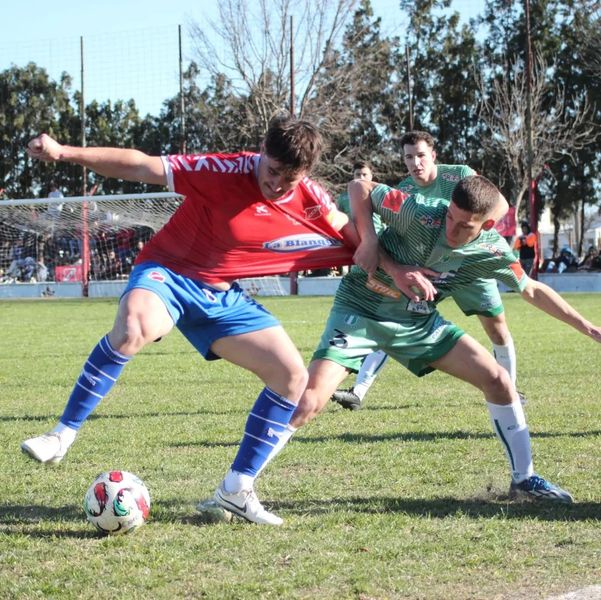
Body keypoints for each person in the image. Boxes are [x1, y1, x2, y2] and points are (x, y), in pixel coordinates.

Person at [21, 115, 367, 526]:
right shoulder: (222, 170)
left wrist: (398, 270)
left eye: (288, 179)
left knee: (292, 378)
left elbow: (354, 236)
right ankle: (62, 435)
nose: (276, 184)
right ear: (262, 150)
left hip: (220, 294)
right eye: (272, 171)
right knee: (134, 329)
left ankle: (237, 488)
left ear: (305, 173)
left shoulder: (310, 196)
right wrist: (64, 153)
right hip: (168, 273)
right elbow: (141, 164)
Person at [261, 175, 601, 517]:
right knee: (310, 401)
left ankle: (524, 479)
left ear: (487, 226)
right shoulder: (420, 212)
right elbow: (359, 188)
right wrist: (369, 240)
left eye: (463, 225)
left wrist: (588, 327)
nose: (450, 228)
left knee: (498, 380)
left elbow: (532, 290)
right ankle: (239, 483)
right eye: (451, 216)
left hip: (417, 322)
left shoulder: (493, 249)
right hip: (360, 310)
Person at [333, 131, 524, 411]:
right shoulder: (405, 190)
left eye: (421, 155)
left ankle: (511, 391)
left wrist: (481, 241)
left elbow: (501, 205)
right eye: (409, 157)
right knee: (391, 317)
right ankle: (359, 391)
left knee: (497, 330)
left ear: (433, 155)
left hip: (468, 265)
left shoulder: (459, 175)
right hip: (429, 273)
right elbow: (381, 220)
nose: (415, 162)